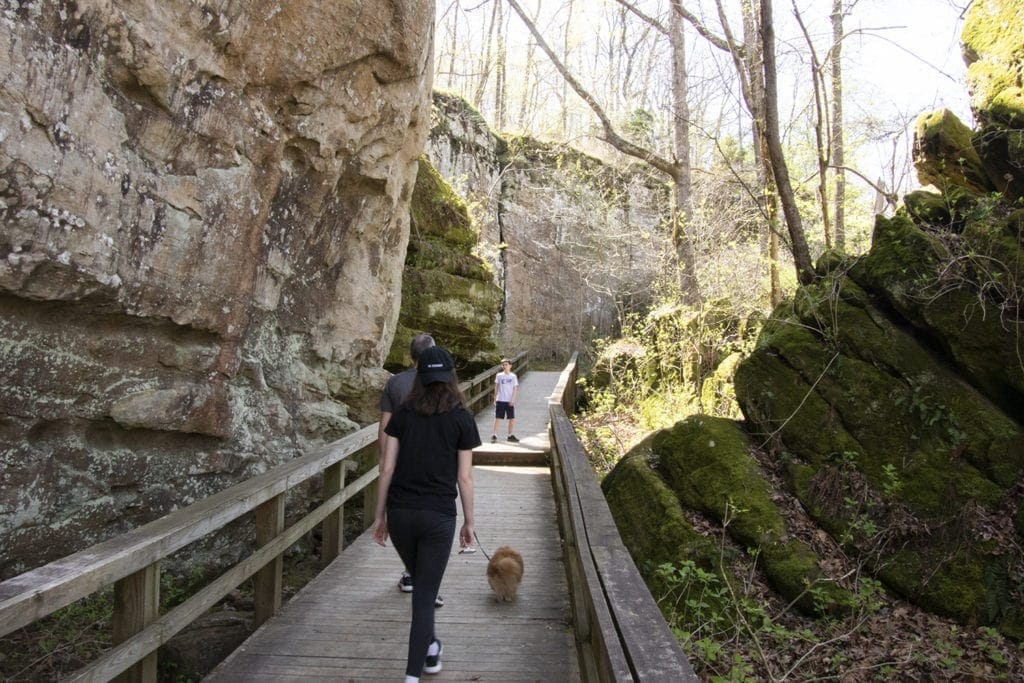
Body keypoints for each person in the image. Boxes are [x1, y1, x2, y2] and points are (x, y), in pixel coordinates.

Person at [373, 346, 479, 681]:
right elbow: (464, 477)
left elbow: (387, 468)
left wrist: (380, 516)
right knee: (423, 597)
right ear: (450, 378)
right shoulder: (462, 419)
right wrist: (470, 522)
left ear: (420, 377)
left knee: (422, 584)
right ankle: (412, 676)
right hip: (438, 518)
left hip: (401, 514)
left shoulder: (403, 414)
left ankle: (431, 649)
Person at [379, 333, 445, 604]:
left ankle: (411, 574)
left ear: (410, 356)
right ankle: (425, 584)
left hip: (400, 463)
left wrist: (385, 462)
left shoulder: (395, 383)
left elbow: (384, 427)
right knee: (431, 524)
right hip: (434, 467)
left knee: (405, 522)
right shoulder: (441, 383)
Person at [491, 357, 519, 442]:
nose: (504, 366)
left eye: (506, 364)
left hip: (509, 400)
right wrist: (495, 398)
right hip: (500, 399)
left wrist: (513, 399)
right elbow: (496, 387)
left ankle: (510, 435)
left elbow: (515, 388)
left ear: (510, 366)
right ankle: (494, 435)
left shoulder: (513, 376)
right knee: (497, 417)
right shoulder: (499, 375)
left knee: (511, 418)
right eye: (503, 365)